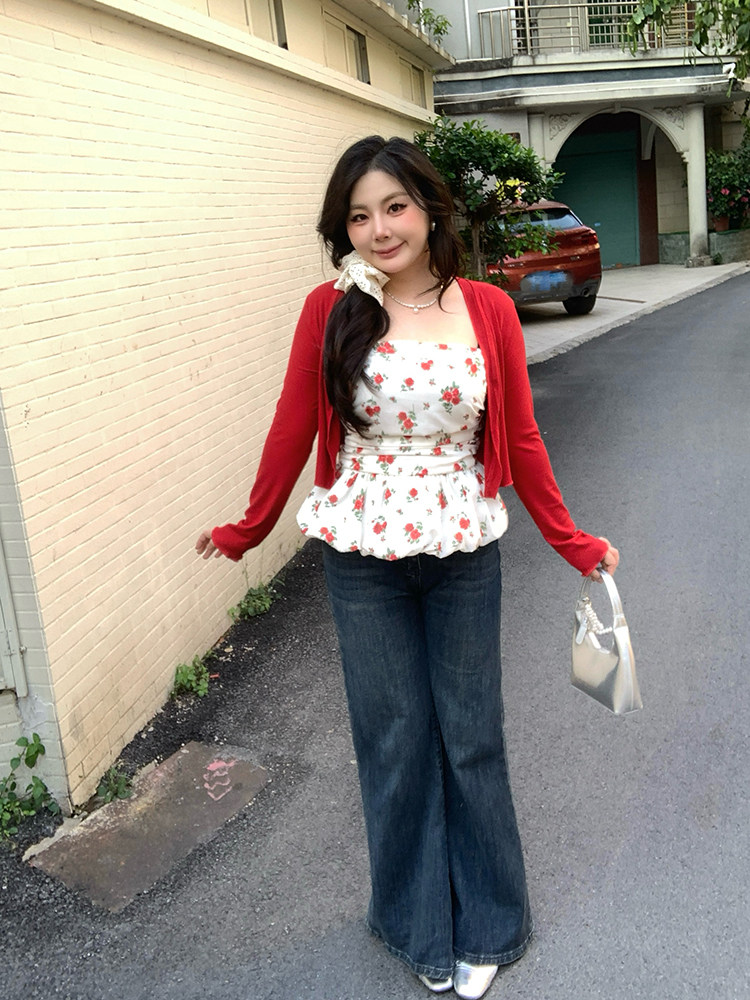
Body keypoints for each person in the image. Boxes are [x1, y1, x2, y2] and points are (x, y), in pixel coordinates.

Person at [196, 136, 618, 999]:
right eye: (359, 216)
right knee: (392, 743)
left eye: (394, 207)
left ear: (428, 210)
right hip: (361, 555)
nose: (379, 229)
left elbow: (521, 435)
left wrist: (571, 540)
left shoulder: (487, 309)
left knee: (472, 739)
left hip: (463, 550)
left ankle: (492, 923)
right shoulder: (329, 310)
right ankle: (415, 923)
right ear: (343, 229)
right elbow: (293, 423)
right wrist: (249, 527)